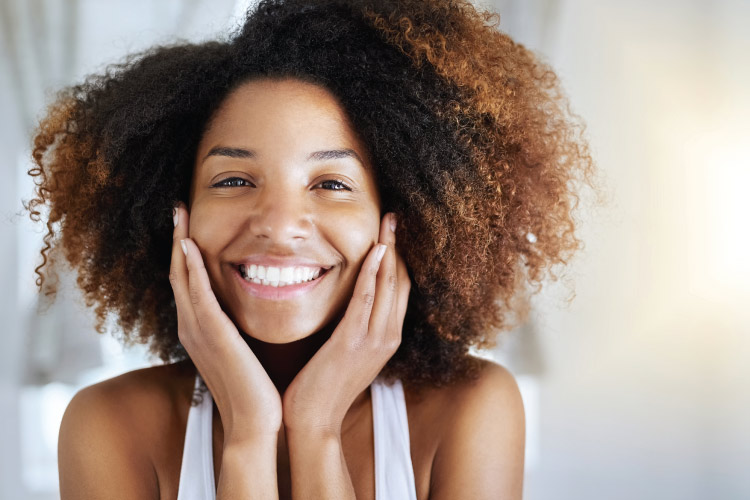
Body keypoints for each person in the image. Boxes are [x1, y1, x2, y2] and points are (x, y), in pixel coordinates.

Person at [25, 0, 596, 498]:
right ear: (174, 214)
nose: (278, 226)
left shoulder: (471, 410)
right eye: (233, 180)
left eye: (331, 184)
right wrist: (248, 435)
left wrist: (316, 426)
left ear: (401, 218)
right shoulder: (109, 425)